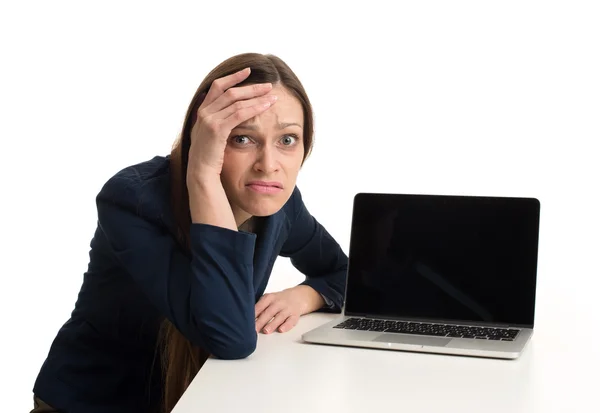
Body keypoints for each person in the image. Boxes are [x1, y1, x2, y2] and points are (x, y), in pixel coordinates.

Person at [31, 53, 348, 413]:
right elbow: (229, 338)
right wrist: (202, 175)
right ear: (206, 137)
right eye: (242, 138)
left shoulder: (281, 206)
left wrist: (302, 296)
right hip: (89, 404)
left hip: (194, 400)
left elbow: (343, 272)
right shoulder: (131, 200)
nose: (269, 164)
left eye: (287, 140)